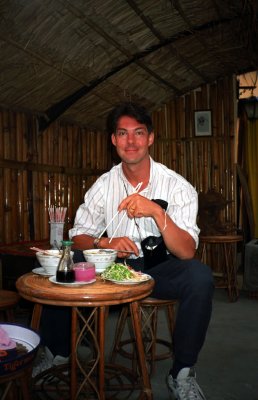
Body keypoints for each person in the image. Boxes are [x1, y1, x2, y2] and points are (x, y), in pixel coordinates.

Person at [69, 101, 214, 400]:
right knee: (67, 260)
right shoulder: (104, 185)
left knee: (199, 277)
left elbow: (187, 251)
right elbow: (77, 236)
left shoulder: (177, 186)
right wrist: (105, 243)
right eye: (122, 133)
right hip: (114, 268)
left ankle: (182, 373)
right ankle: (58, 353)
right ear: (113, 140)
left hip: (161, 267)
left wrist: (156, 213)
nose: (131, 141)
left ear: (150, 138)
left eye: (138, 133)